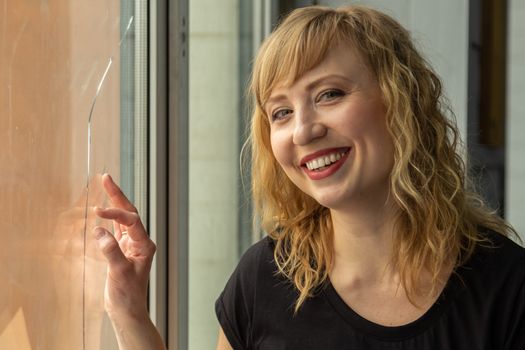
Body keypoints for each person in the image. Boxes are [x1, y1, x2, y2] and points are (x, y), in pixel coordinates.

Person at [93, 5, 525, 350]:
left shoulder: (508, 286)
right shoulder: (263, 278)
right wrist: (129, 309)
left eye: (329, 94)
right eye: (281, 112)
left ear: (400, 102)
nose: (303, 130)